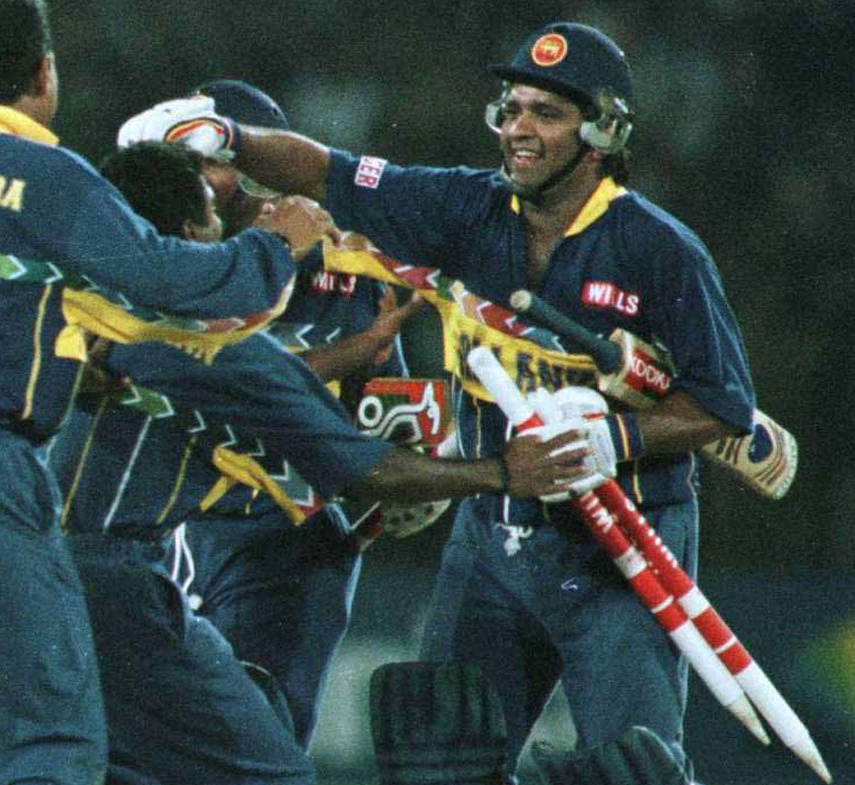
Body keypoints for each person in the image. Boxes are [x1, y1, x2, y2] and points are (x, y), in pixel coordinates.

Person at [119, 21, 757, 783]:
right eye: (511, 110)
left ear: (603, 132)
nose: (519, 129)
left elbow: (724, 407)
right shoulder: (463, 206)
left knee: (635, 768)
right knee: (441, 764)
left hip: (620, 544)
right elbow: (326, 170)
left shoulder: (659, 248)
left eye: (546, 114)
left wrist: (612, 438)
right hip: (490, 541)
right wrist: (226, 136)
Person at [0, 2, 333, 783]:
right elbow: (170, 284)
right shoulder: (43, 173)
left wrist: (65, 361)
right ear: (44, 72)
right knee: (46, 739)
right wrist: (275, 248)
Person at [47, 139, 596, 785]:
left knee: (83, 761)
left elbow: (231, 381)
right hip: (115, 581)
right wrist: (502, 472)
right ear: (193, 236)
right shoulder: (210, 341)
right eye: (216, 218)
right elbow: (365, 470)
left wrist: (360, 349)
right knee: (272, 772)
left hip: (20, 560)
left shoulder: (71, 303)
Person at [150, 80, 429, 749]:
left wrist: (403, 468)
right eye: (184, 163)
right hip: (172, 529)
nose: (197, 181)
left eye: (212, 160)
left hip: (290, 537)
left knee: (261, 740)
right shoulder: (166, 254)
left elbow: (386, 409)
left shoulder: (349, 266)